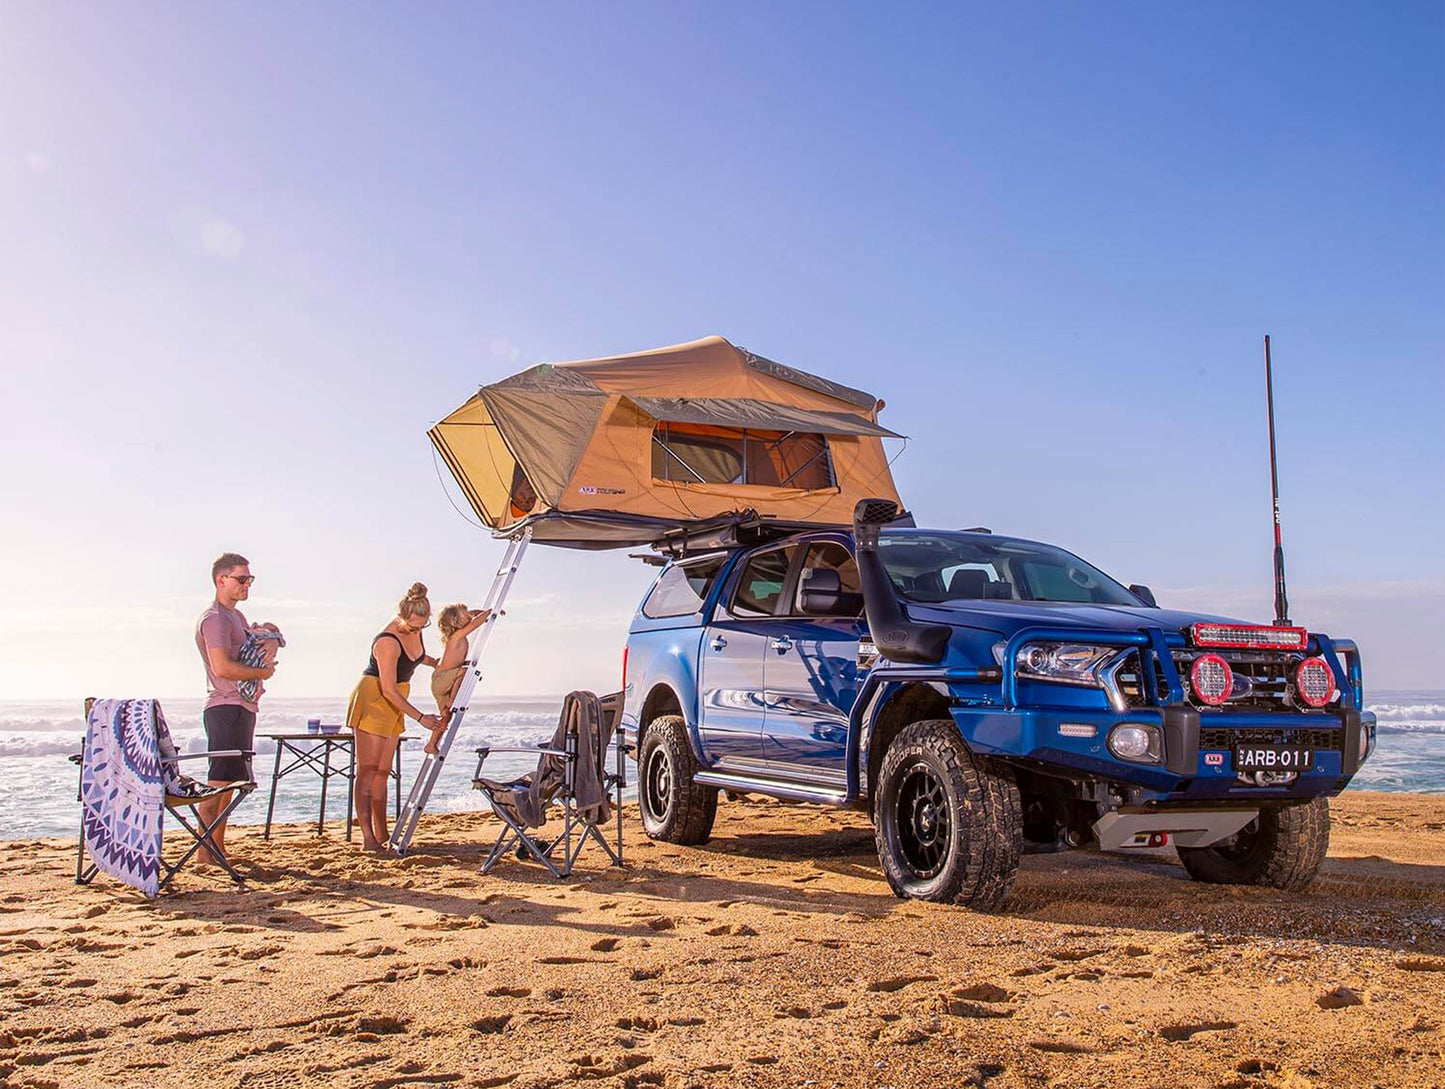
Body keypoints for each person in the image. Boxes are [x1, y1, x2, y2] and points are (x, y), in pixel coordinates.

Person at [345, 582, 442, 852]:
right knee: (367, 770)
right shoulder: (387, 641)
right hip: (376, 696)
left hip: (396, 698)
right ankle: (367, 838)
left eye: (423, 627)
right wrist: (421, 718)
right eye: (412, 627)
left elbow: (412, 656)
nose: (417, 631)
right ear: (402, 617)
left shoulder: (416, 628)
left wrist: (434, 662)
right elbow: (387, 688)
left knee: (383, 772)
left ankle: (384, 832)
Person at [195, 552, 275, 866]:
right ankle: (205, 855)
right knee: (217, 784)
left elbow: (247, 649)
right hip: (224, 706)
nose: (247, 586)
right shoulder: (214, 618)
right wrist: (261, 673)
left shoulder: (237, 618)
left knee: (231, 784)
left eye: (249, 580)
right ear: (221, 580)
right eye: (241, 579)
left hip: (242, 706)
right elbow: (223, 667)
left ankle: (217, 848)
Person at [427, 603, 492, 753]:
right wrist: (490, 612)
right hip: (442, 679)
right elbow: (476, 622)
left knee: (446, 716)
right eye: (465, 615)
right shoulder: (456, 637)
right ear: (456, 622)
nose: (469, 615)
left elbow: (473, 615)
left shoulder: (457, 634)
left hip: (442, 682)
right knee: (466, 671)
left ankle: (431, 744)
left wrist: (479, 613)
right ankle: (453, 700)